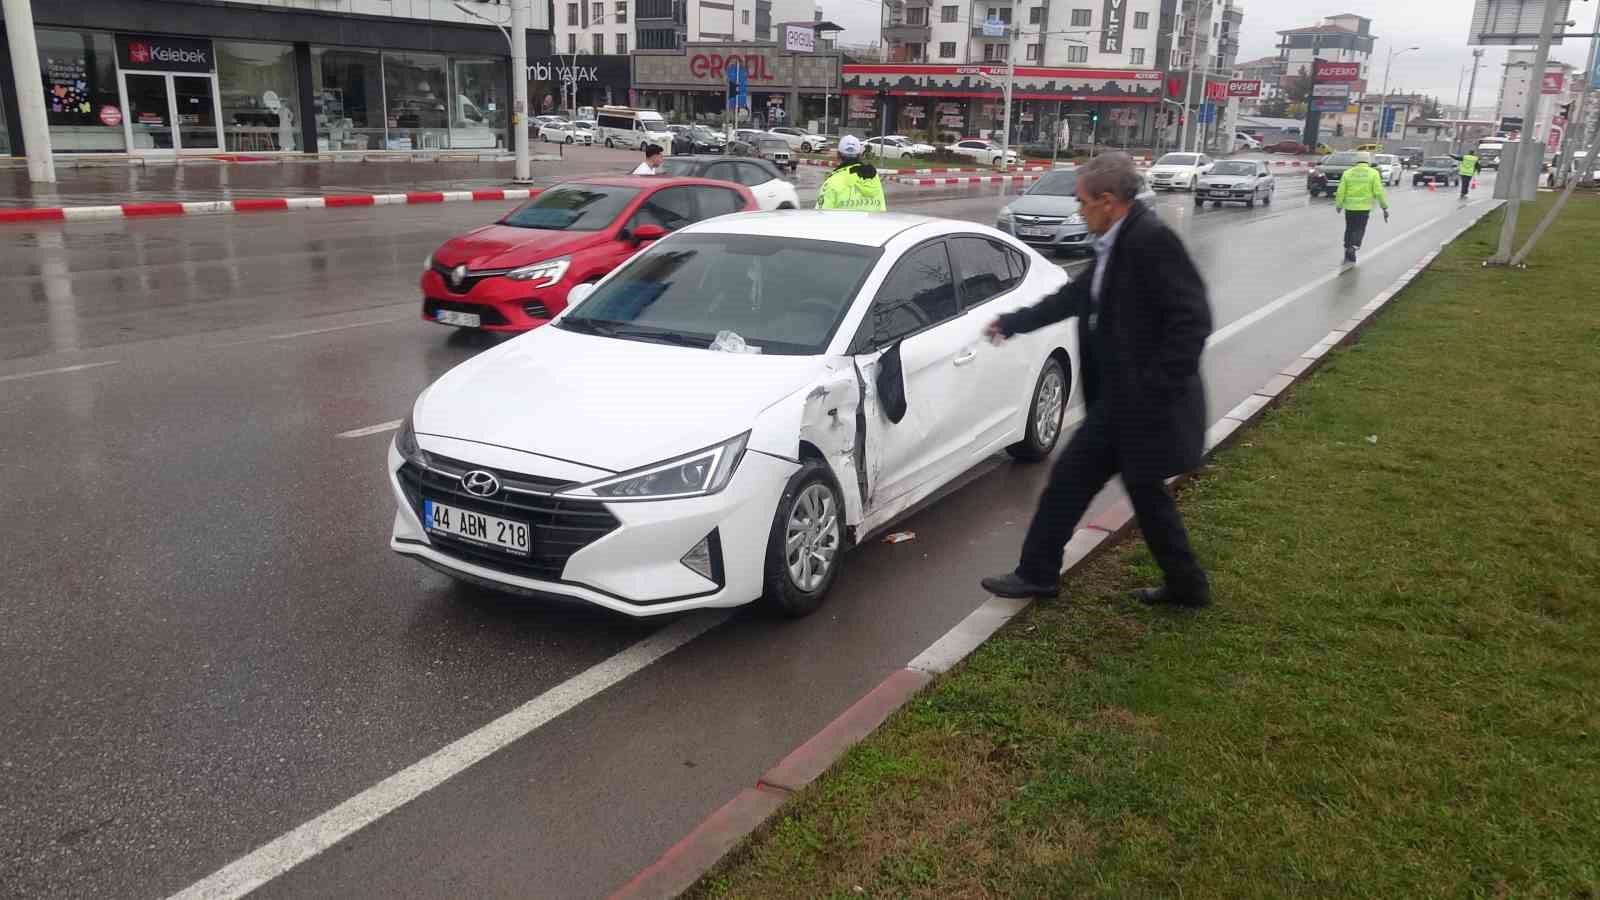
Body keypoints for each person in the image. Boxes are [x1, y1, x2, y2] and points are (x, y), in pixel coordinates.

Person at [980, 152, 1214, 608]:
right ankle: (1182, 585)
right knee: (1101, 490)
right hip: (1120, 401)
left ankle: (1042, 573)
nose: (1078, 210)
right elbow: (1076, 297)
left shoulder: (1150, 241)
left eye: (1082, 202)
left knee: (1100, 489)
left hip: (1140, 404)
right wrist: (1014, 322)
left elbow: (1192, 321)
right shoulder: (1117, 242)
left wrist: (1153, 392)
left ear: (1108, 201)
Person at [1334, 152, 1389, 263]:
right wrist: (1384, 207)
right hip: (1364, 208)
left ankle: (1347, 249)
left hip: (1349, 207)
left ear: (1356, 160)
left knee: (1349, 228)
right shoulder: (1373, 173)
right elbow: (1379, 192)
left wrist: (1339, 205)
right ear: (1368, 161)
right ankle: (1353, 247)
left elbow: (1341, 191)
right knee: (1359, 229)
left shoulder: (1348, 173)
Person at [815, 135, 886, 211]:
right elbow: (882, 210)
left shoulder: (832, 181)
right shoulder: (873, 177)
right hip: (874, 222)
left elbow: (820, 215)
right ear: (859, 155)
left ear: (838, 155)